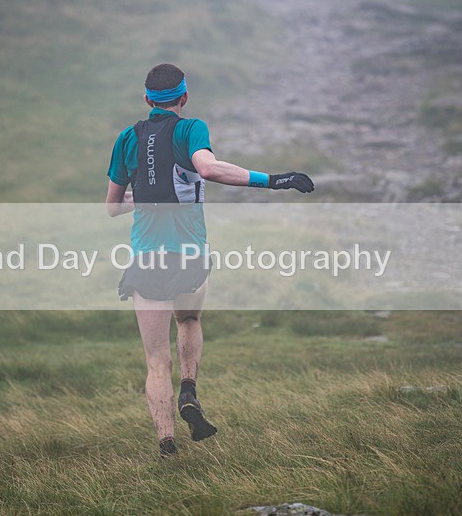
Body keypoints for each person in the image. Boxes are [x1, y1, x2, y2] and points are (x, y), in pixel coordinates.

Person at [105, 63, 314, 457]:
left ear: (148, 100)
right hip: (189, 257)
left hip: (146, 260)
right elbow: (208, 168)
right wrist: (272, 180)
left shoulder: (125, 139)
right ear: (183, 97)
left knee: (154, 361)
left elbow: (112, 207)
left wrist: (145, 198)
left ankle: (167, 445)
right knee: (189, 319)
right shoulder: (190, 128)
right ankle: (189, 389)